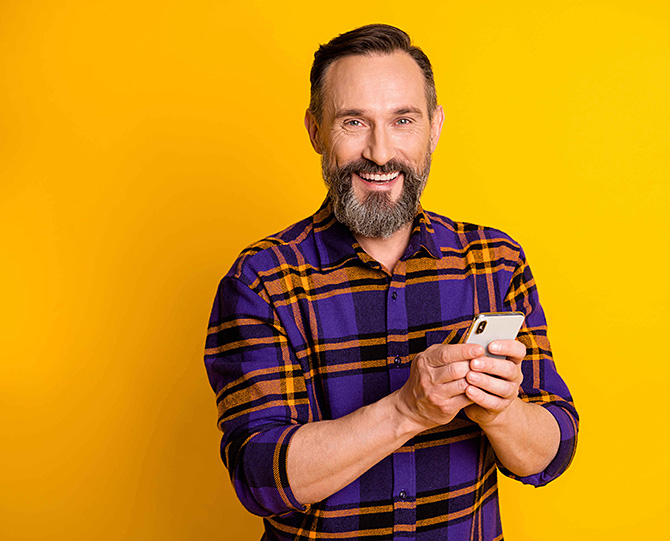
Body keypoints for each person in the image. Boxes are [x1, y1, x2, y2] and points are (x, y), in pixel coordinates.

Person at [204, 23, 578, 540]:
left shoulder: (496, 261)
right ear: (315, 131)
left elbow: (552, 452)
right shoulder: (262, 280)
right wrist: (407, 409)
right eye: (354, 122)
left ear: (435, 127)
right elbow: (260, 479)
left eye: (403, 120)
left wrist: (500, 411)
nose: (380, 154)